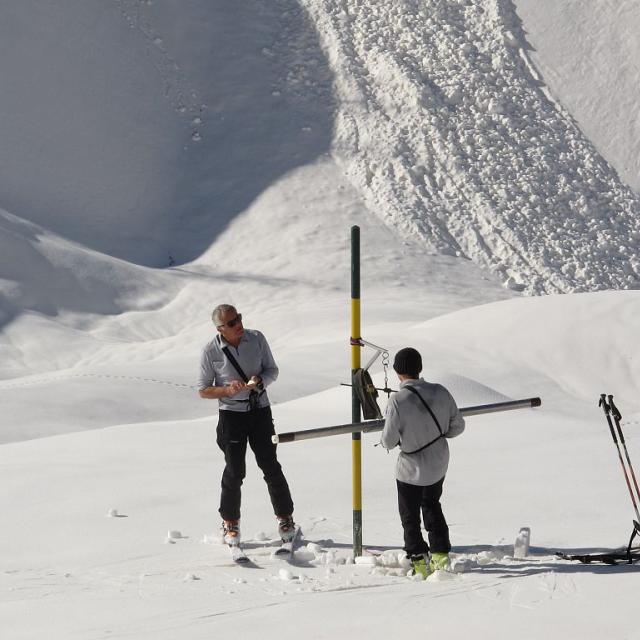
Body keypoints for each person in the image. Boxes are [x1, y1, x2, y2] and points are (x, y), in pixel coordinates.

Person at [198, 304, 295, 547]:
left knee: (270, 465)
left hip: (259, 410)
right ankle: (230, 522)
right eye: (231, 323)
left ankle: (286, 518)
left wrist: (260, 380)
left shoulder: (257, 338)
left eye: (238, 318)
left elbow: (273, 370)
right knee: (234, 471)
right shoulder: (210, 351)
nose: (238, 324)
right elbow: (203, 390)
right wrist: (226, 390)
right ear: (221, 328)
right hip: (231, 416)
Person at [380, 347, 465, 578]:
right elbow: (458, 426)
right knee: (432, 504)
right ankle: (440, 554)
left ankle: (418, 558)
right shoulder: (440, 391)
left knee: (409, 515)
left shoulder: (397, 401)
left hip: (410, 469)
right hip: (438, 464)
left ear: (397, 372)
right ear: (420, 368)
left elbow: (388, 441)